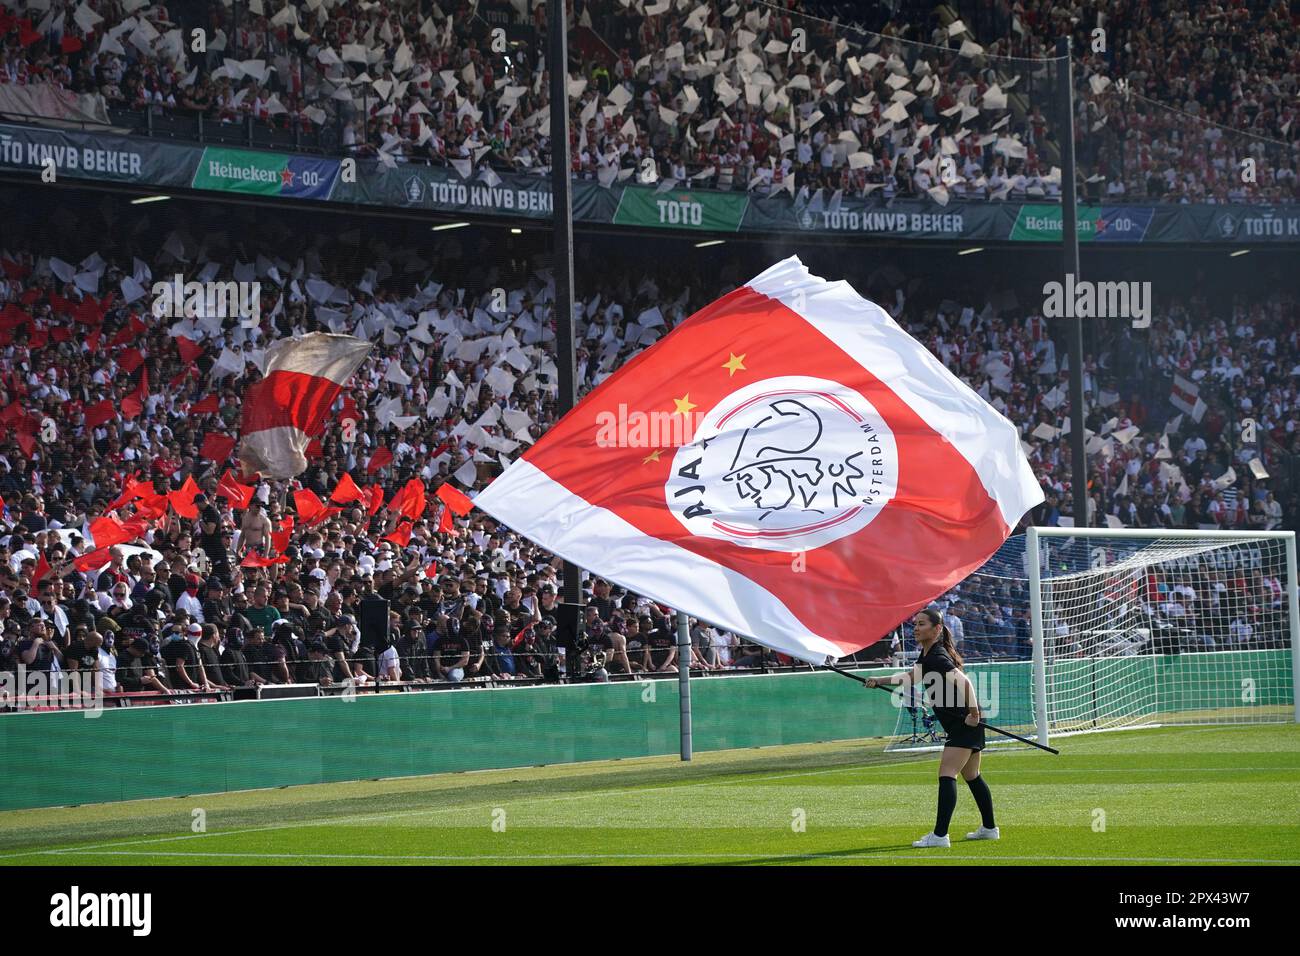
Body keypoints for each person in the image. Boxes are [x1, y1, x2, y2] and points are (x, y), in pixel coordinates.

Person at [866, 607, 999, 847]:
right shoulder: (927, 655)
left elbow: (965, 682)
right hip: (966, 722)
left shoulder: (937, 657)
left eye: (922, 624)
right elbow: (911, 678)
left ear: (936, 629)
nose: (916, 628)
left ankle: (939, 836)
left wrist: (973, 713)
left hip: (965, 722)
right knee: (972, 775)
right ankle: (989, 829)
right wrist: (880, 681)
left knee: (947, 773)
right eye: (915, 624)